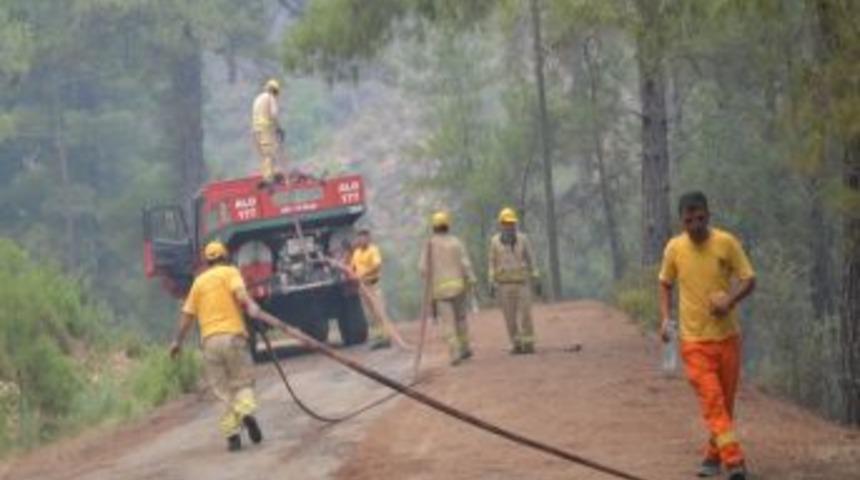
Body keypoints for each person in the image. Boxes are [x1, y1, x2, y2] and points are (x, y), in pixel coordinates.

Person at [658, 191, 756, 480]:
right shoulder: (674, 248)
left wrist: (730, 300)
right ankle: (735, 463)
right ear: (682, 220)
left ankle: (712, 458)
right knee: (713, 401)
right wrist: (665, 319)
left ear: (708, 215)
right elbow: (664, 283)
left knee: (724, 406)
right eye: (689, 219)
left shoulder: (726, 243)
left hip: (728, 339)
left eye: (700, 218)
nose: (695, 225)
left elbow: (749, 279)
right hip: (694, 341)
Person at [169, 241, 276, 452]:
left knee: (222, 391)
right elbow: (240, 295)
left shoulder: (198, 282)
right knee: (242, 382)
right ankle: (245, 412)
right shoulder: (230, 272)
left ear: (207, 261)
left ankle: (233, 437)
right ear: (225, 256)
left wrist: (177, 342)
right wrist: (252, 307)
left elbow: (187, 316)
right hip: (233, 337)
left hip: (209, 342)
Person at [419, 211, 478, 365]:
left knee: (448, 323)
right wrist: (471, 279)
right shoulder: (456, 242)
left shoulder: (430, 244)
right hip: (459, 289)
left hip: (441, 292)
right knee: (461, 319)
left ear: (434, 227)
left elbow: (423, 269)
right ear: (447, 225)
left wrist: (429, 278)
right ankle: (465, 348)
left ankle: (455, 354)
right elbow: (465, 263)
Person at [488, 207, 541, 355]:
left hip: (522, 283)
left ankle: (529, 344)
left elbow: (531, 259)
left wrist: (536, 277)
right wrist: (491, 281)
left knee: (526, 314)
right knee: (509, 317)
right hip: (504, 285)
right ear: (501, 224)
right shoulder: (494, 242)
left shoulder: (523, 239)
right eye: (506, 223)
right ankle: (516, 344)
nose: (509, 226)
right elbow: (491, 263)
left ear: (515, 224)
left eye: (511, 223)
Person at [350, 229, 392, 349]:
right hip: (362, 287)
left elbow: (377, 265)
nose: (361, 240)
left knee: (379, 311)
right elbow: (352, 267)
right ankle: (379, 337)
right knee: (371, 313)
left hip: (373, 285)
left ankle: (386, 337)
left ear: (369, 239)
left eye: (364, 238)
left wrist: (364, 274)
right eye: (360, 238)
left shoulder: (373, 250)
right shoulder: (356, 252)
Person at [251, 78, 285, 185]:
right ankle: (270, 179)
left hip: (256, 131)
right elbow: (274, 114)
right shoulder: (270, 98)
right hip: (265, 129)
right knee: (270, 154)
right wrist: (278, 128)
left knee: (264, 155)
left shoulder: (257, 98)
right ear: (275, 91)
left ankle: (268, 176)